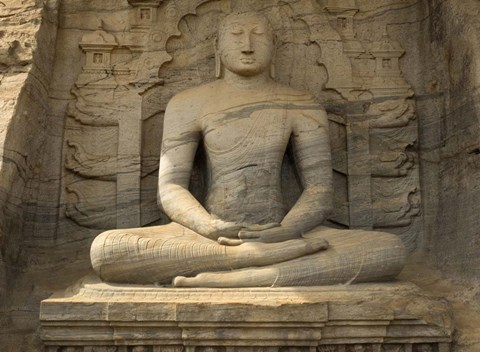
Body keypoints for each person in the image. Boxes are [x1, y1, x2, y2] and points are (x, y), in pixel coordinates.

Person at [90, 12, 406, 287]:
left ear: (275, 48)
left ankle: (236, 274)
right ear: (217, 47)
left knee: (388, 250)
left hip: (284, 232)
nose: (248, 45)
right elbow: (171, 188)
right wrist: (208, 226)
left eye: (258, 35)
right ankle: (266, 262)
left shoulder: (300, 104)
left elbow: (320, 190)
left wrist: (285, 231)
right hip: (208, 237)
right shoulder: (187, 103)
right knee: (107, 249)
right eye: (236, 35)